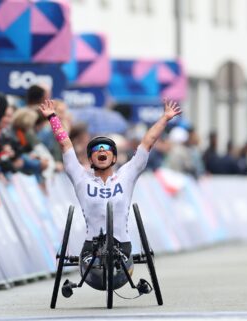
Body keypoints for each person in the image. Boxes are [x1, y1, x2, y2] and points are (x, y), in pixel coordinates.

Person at [39, 98, 181, 290]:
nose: (102, 151)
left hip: (122, 246)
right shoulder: (81, 177)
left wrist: (165, 118)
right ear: (90, 158)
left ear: (114, 157)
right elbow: (65, 145)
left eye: (107, 149)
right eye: (97, 149)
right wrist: (53, 118)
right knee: (96, 264)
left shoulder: (126, 175)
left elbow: (147, 143)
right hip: (91, 247)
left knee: (117, 259)